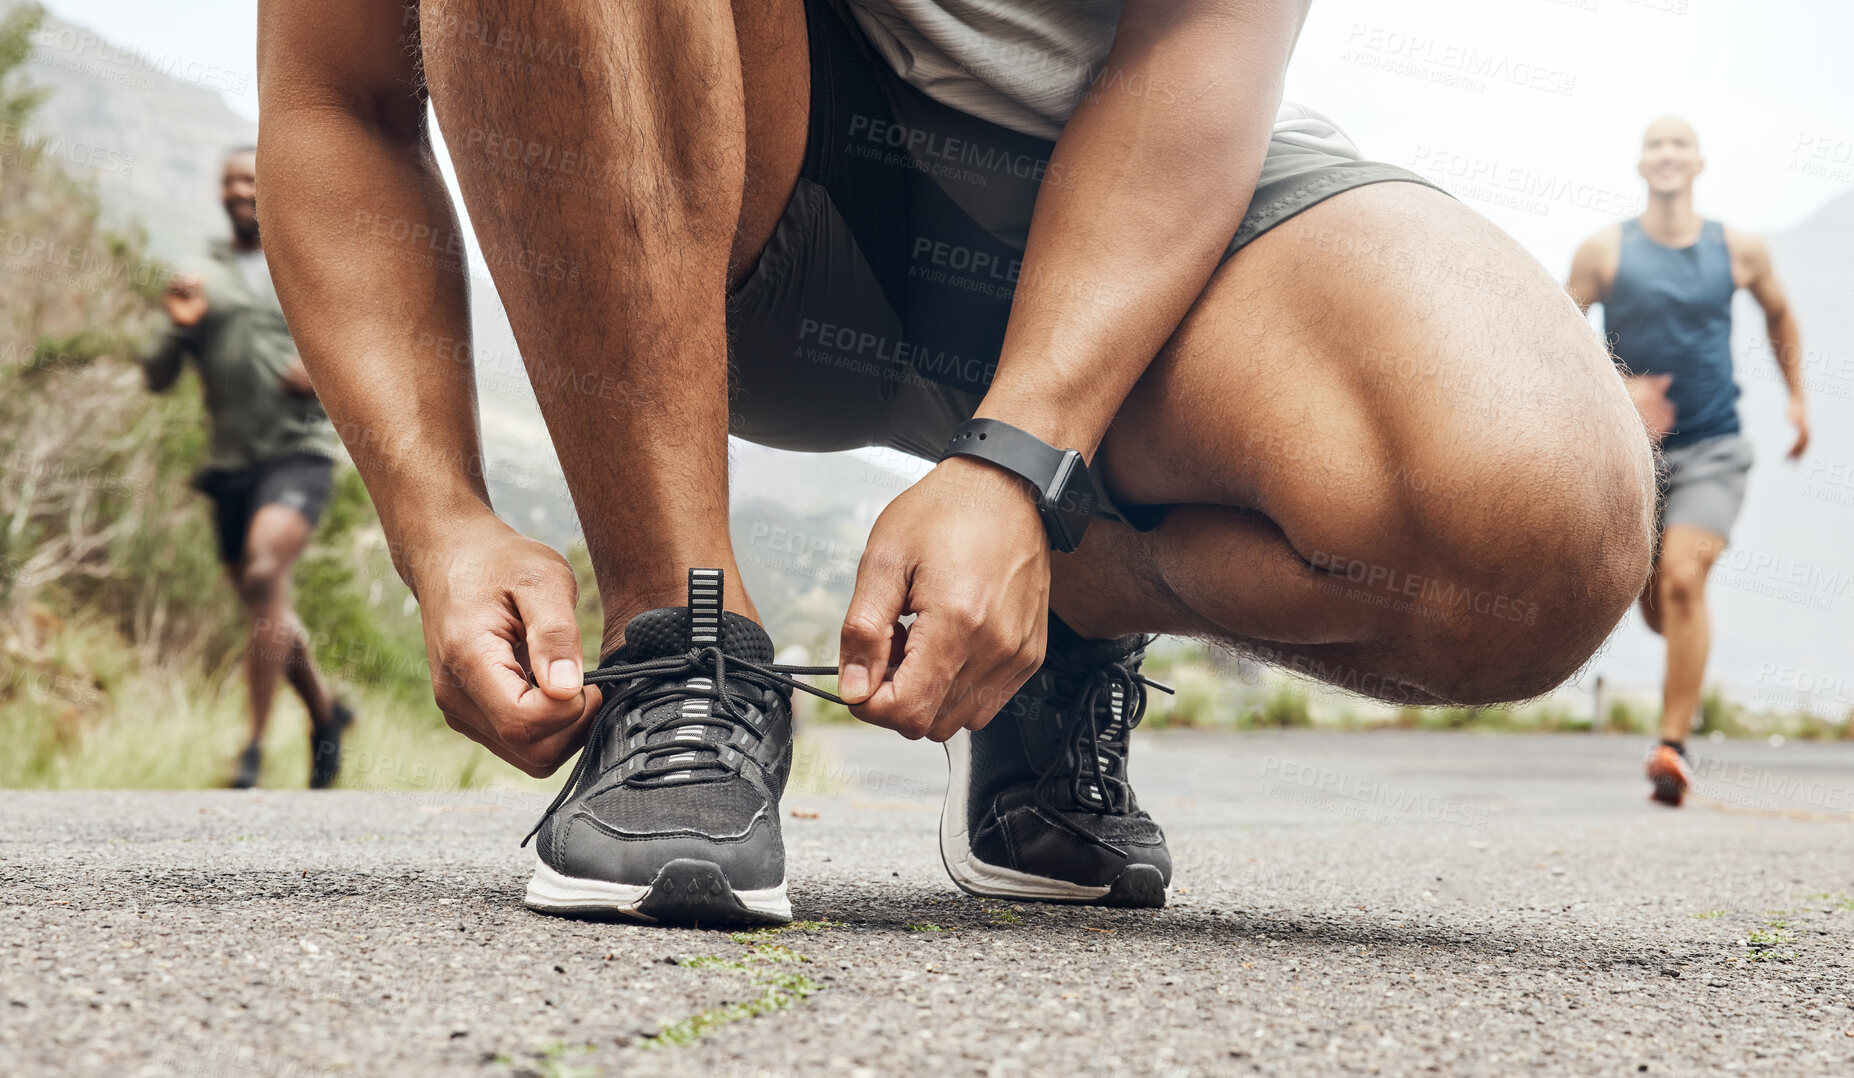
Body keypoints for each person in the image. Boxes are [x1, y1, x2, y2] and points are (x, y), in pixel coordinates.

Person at [257, 0, 1655, 923]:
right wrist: (438, 519)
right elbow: (340, 95)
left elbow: (1206, 40)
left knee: (1542, 532)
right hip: (745, 178)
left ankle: (1071, 606)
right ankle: (681, 650)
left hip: (1143, 192)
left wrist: (1017, 464)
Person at [1568, 116, 1809, 807]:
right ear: (1641, 163)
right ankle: (1679, 692)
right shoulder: (1604, 252)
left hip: (1714, 447)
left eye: (1680, 144)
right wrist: (1617, 387)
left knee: (1681, 579)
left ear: (1698, 162)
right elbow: (1557, 335)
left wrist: (1798, 400)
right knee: (1654, 608)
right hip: (1633, 460)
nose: (1668, 154)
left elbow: (1780, 314)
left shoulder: (1738, 248)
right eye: (1655, 145)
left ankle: (1672, 748)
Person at [142, 147, 355, 790]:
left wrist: (317, 373)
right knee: (268, 604)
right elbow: (155, 375)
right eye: (232, 181)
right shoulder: (200, 275)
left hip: (300, 453)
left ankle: (253, 749)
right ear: (221, 191)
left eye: (253, 180)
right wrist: (178, 328)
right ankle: (326, 715)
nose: (241, 191)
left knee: (265, 571)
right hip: (230, 466)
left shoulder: (302, 266)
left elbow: (353, 357)